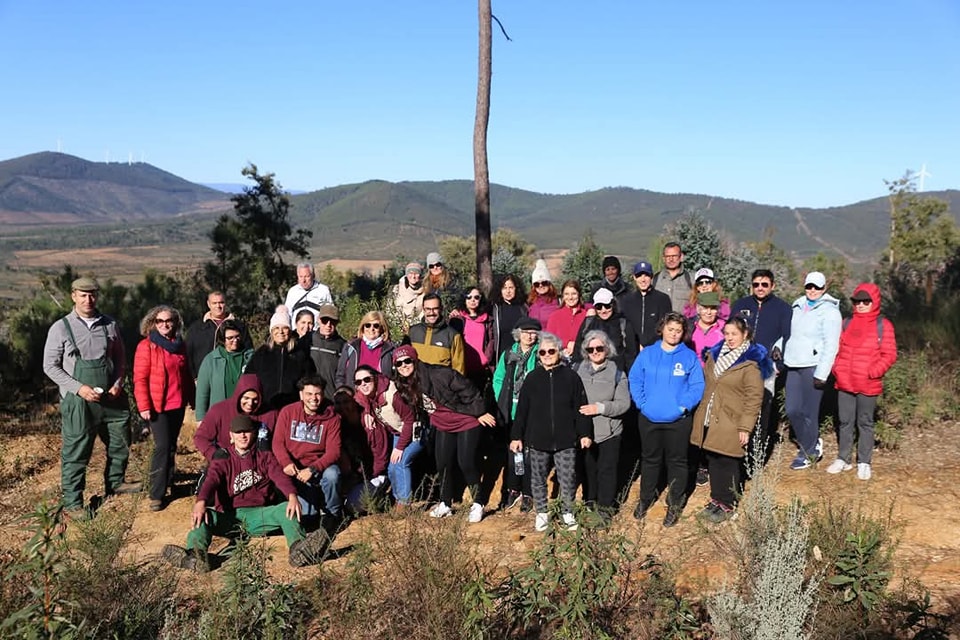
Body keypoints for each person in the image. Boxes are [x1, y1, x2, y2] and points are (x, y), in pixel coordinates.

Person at [162, 415, 332, 572]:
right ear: (231, 436)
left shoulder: (264, 457)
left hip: (260, 515)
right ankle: (195, 556)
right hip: (230, 516)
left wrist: (292, 495)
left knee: (286, 509)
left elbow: (280, 477)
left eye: (247, 432)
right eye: (238, 432)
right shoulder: (223, 458)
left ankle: (299, 549)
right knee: (204, 516)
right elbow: (211, 480)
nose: (243, 436)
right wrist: (201, 501)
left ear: (254, 434)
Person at [42, 277, 138, 517]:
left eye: (92, 294)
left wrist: (118, 383)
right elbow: (50, 366)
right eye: (82, 295)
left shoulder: (109, 324)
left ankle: (116, 483)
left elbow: (120, 360)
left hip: (111, 397)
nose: (88, 299)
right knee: (76, 451)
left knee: (120, 441)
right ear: (73, 296)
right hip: (78, 401)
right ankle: (74, 504)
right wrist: (78, 388)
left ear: (97, 296)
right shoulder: (61, 328)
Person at [392, 345, 497, 522]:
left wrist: (479, 412)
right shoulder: (404, 384)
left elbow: (468, 389)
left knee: (466, 461)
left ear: (415, 360)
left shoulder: (439, 374)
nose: (404, 365)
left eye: (407, 361)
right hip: (442, 424)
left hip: (465, 420)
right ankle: (445, 504)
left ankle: (478, 503)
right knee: (443, 464)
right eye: (399, 363)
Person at [691, 317, 772, 522]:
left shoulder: (750, 363)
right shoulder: (715, 355)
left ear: (745, 335)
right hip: (710, 415)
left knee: (727, 461)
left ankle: (728, 503)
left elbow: (754, 398)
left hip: (731, 419)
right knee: (713, 459)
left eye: (734, 334)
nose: (729, 338)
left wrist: (745, 427)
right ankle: (716, 499)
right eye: (726, 334)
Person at [510, 332, 593, 532]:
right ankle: (542, 512)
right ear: (538, 355)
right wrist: (516, 436)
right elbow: (522, 410)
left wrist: (584, 434)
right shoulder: (532, 378)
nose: (547, 354)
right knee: (538, 478)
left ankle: (567, 512)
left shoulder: (571, 376)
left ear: (559, 352)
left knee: (568, 478)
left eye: (551, 351)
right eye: (543, 352)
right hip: (537, 438)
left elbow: (581, 407)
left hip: (566, 439)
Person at [628, 312, 705, 527]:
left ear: (683, 334)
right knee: (650, 460)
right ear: (662, 329)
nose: (674, 334)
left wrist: (683, 406)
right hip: (649, 417)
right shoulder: (648, 354)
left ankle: (674, 504)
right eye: (670, 329)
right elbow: (635, 378)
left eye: (678, 331)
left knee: (677, 462)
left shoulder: (688, 357)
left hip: (678, 420)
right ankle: (645, 499)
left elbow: (697, 386)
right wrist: (642, 403)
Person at [828, 284, 897, 481]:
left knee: (865, 422)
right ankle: (844, 458)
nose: (861, 305)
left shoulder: (883, 325)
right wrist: (837, 369)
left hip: (868, 384)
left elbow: (889, 355)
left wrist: (873, 372)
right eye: (857, 301)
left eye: (866, 301)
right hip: (845, 382)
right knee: (845, 421)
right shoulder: (846, 323)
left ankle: (864, 462)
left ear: (874, 302)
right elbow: (837, 349)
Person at [133, 305, 194, 511]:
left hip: (177, 404)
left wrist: (192, 398)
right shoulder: (146, 346)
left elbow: (185, 375)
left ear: (175, 323)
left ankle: (168, 481)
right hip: (157, 406)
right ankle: (156, 494)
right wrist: (144, 406)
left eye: (168, 321)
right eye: (160, 321)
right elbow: (140, 379)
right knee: (162, 446)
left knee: (171, 447)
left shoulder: (179, 345)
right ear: (153, 323)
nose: (165, 324)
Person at [730, 268, 793, 466]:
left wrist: (779, 365)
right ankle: (737, 452)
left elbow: (788, 338)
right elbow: (731, 331)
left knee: (762, 411)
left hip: (766, 368)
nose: (760, 288)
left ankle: (757, 457)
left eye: (764, 284)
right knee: (739, 408)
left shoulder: (783, 309)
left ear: (772, 286)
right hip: (741, 365)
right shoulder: (741, 305)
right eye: (756, 284)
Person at [782, 271, 842, 471]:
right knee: (792, 409)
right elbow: (790, 333)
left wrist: (822, 373)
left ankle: (808, 452)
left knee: (809, 412)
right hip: (794, 363)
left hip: (813, 365)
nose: (813, 290)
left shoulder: (830, 312)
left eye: (817, 287)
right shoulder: (798, 306)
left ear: (824, 288)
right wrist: (778, 346)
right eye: (809, 286)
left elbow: (831, 344)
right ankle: (813, 442)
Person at [575, 330, 631, 524]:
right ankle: (590, 501)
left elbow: (624, 404)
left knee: (606, 470)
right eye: (591, 349)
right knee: (587, 468)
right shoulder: (577, 370)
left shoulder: (617, 373)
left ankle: (605, 508)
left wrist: (600, 408)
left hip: (609, 431)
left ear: (607, 349)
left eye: (600, 348)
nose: (595, 352)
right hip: (584, 431)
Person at [273, 376, 343, 520]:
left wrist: (313, 469)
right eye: (309, 394)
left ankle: (333, 514)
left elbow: (334, 451)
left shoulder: (332, 418)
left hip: (319, 467)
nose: (314, 398)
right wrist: (286, 462)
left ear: (323, 394)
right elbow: (277, 443)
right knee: (307, 516)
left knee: (333, 475)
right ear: (301, 395)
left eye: (317, 394)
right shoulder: (288, 412)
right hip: (295, 469)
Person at [351, 365, 421, 505]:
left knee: (401, 462)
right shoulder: (367, 394)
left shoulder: (392, 395)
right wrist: (367, 412)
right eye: (358, 382)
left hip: (415, 430)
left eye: (366, 380)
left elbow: (410, 419)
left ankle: (404, 503)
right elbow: (361, 398)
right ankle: (397, 498)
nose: (363, 384)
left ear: (375, 378)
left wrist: (400, 447)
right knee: (392, 467)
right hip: (397, 431)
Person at [491, 317, 540, 511]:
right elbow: (498, 378)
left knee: (530, 453)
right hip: (510, 411)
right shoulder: (508, 354)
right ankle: (514, 488)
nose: (529, 335)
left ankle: (528, 491)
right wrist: (501, 397)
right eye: (525, 331)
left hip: (531, 412)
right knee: (515, 452)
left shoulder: (540, 354)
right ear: (518, 334)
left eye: (533, 332)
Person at [194, 373, 277, 462]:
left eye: (255, 399)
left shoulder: (270, 414)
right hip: (228, 461)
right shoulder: (219, 410)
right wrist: (214, 454)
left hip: (259, 463)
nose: (250, 403)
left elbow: (279, 441)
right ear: (239, 395)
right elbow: (200, 438)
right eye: (246, 398)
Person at [244, 306, 314, 412]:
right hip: (266, 409)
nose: (280, 332)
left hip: (292, 409)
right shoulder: (262, 354)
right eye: (276, 328)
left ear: (290, 330)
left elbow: (308, 381)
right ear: (271, 331)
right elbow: (249, 380)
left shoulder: (300, 354)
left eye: (284, 328)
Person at [194, 320, 254, 423]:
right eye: (230, 338)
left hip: (246, 415)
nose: (235, 340)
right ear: (222, 339)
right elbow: (202, 394)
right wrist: (201, 420)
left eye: (237, 336)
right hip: (220, 416)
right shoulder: (211, 360)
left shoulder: (251, 357)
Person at [185, 291, 251, 380]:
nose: (218, 306)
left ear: (226, 303)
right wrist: (195, 377)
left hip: (232, 378)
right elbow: (188, 354)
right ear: (208, 304)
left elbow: (248, 352)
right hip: (203, 379)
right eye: (214, 303)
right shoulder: (196, 328)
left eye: (221, 303)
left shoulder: (239, 326)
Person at [572, 288, 638, 373]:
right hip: (590, 374)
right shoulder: (588, 323)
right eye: (599, 307)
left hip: (616, 374)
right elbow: (578, 350)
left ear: (613, 304)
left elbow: (631, 355)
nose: (603, 310)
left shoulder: (623, 324)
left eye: (607, 306)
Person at [448, 286, 496, 390]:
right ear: (464, 299)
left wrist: (487, 358)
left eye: (476, 297)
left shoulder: (487, 320)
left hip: (481, 368)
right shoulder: (457, 319)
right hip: (463, 367)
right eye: (468, 297)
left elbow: (491, 340)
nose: (472, 300)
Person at [336, 309, 397, 389]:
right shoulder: (351, 347)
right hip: (354, 397)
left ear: (382, 328)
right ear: (363, 327)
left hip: (381, 398)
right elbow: (340, 375)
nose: (371, 329)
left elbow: (395, 376)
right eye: (368, 325)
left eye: (376, 326)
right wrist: (343, 392)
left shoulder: (390, 350)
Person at [407, 293, 466, 374]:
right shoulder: (412, 332)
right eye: (428, 309)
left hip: (442, 385)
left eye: (435, 309)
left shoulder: (453, 335)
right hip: (417, 384)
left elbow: (459, 370)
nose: (431, 313)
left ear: (441, 309)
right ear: (423, 310)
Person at [620, 260, 672, 349]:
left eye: (646, 275)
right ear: (634, 277)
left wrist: (647, 346)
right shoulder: (627, 300)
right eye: (639, 276)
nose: (643, 279)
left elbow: (665, 326)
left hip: (656, 350)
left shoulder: (663, 299)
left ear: (651, 277)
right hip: (632, 352)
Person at [310, 303, 347, 401]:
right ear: (318, 320)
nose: (328, 325)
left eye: (333, 322)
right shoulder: (308, 340)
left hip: (331, 398)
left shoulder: (343, 346)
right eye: (325, 320)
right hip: (309, 398)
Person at [546, 279, 591, 358]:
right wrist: (566, 343)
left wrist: (576, 344)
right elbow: (549, 340)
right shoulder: (555, 316)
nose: (570, 298)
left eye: (573, 294)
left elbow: (590, 338)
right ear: (563, 296)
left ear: (579, 295)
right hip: (559, 357)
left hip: (581, 357)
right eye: (566, 294)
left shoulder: (585, 315)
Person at [490, 274, 529, 364]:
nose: (508, 291)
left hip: (520, 353)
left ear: (516, 289)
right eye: (504, 288)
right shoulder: (494, 307)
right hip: (500, 354)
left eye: (511, 287)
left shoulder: (523, 307)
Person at [653, 242, 693, 312]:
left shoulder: (691, 279)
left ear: (681, 257)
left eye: (674, 256)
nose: (671, 259)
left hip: (684, 322)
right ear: (663, 258)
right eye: (668, 256)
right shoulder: (654, 280)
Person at [687, 291, 726, 365]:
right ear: (698, 309)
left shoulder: (724, 327)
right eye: (705, 308)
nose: (709, 312)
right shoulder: (689, 327)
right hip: (693, 372)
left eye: (713, 308)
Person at [390, 262, 425, 333]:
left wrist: (413, 326)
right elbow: (390, 309)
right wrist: (398, 325)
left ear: (420, 275)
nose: (413, 276)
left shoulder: (426, 291)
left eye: (416, 273)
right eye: (410, 273)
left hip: (417, 329)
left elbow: (424, 313)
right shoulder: (396, 289)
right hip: (397, 329)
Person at [527, 259, 560, 326]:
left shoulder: (558, 301)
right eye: (537, 284)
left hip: (551, 336)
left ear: (549, 284)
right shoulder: (529, 302)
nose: (540, 286)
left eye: (544, 283)